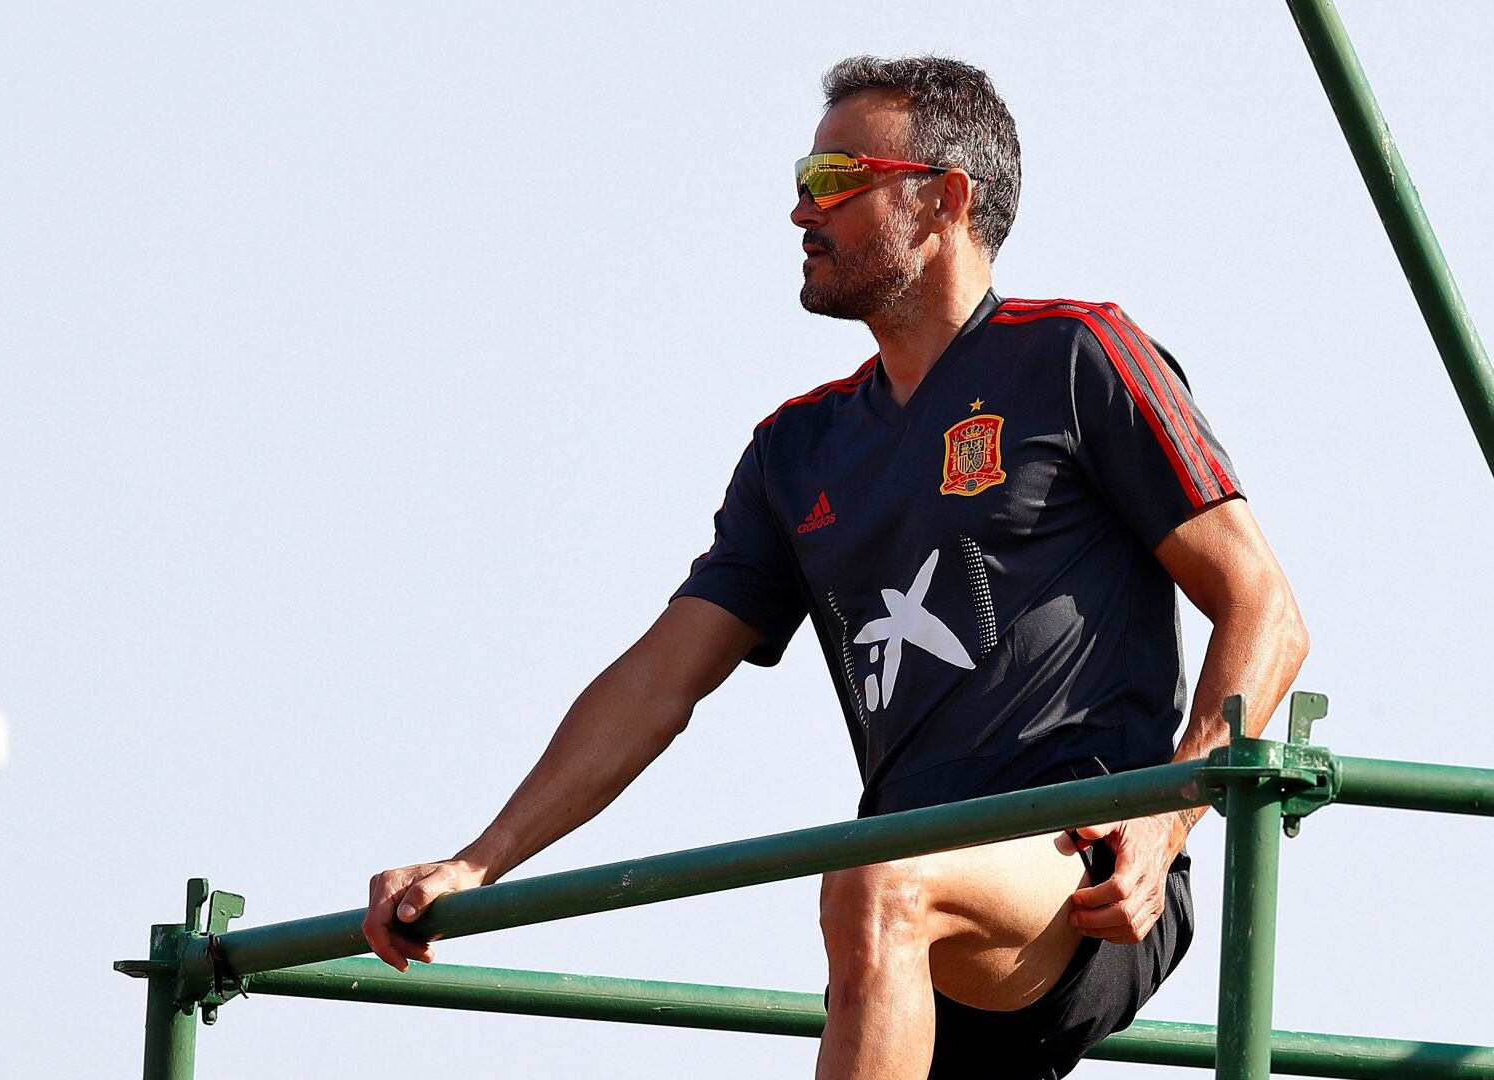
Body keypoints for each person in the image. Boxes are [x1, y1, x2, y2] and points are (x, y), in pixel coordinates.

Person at [362, 55, 1309, 1080]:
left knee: (874, 882)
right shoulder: (796, 448)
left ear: (943, 199)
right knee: (874, 884)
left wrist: (1165, 817)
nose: (799, 210)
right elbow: (656, 682)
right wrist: (477, 861)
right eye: (801, 179)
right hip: (895, 916)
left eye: (833, 180)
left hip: (1075, 869)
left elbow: (1264, 608)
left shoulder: (1076, 354)